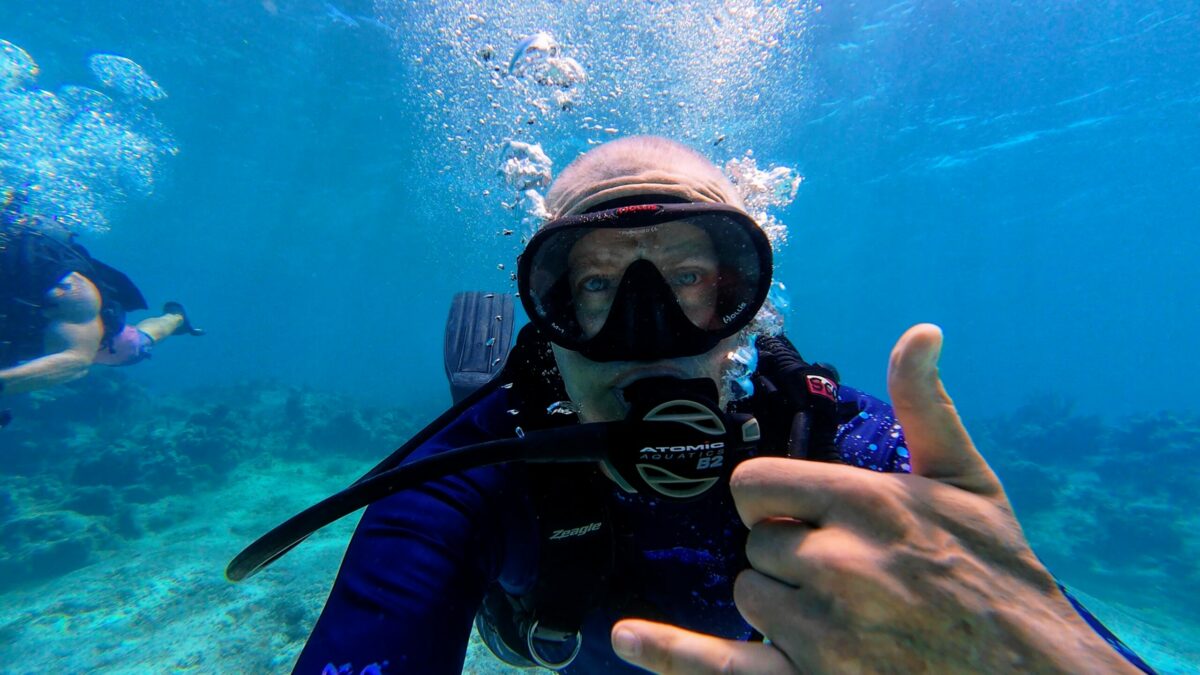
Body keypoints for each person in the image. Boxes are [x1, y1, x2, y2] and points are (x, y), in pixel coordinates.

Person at [229, 136, 1151, 674]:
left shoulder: (832, 441)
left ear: (745, 297)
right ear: (545, 315)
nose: (649, 331)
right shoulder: (475, 464)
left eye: (690, 276)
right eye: (592, 286)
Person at [0, 190, 204, 411]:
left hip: (79, 334)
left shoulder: (64, 285)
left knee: (135, 345)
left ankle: (175, 318)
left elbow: (76, 361)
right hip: (17, 332)